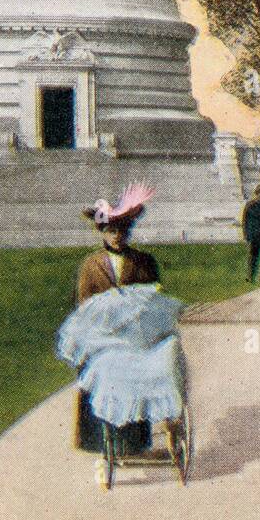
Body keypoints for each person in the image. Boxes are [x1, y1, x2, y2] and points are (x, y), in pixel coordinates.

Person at [74, 183, 159, 452]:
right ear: (103, 233)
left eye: (122, 231)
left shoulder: (143, 262)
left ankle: (133, 441)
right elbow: (85, 304)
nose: (117, 236)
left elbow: (152, 298)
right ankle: (97, 441)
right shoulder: (91, 265)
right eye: (112, 231)